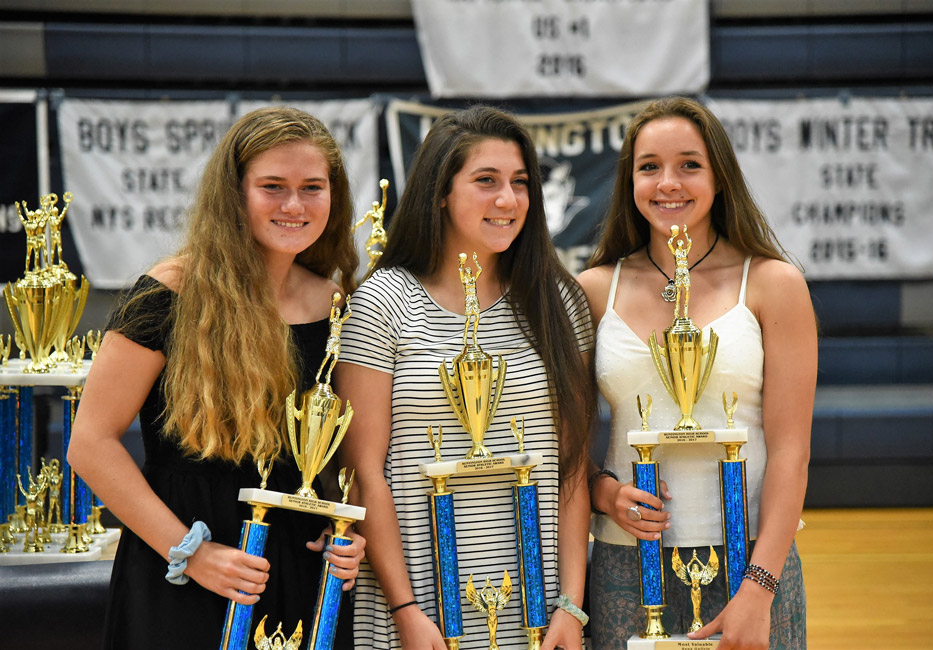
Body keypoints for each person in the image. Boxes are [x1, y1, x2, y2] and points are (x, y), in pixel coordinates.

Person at [67, 106, 366, 649]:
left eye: (312, 187)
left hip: (299, 577)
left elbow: (339, 458)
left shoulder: (339, 305)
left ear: (334, 195)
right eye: (272, 186)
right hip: (182, 571)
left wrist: (342, 532)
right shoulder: (166, 295)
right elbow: (91, 444)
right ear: (234, 194)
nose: (294, 205)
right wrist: (191, 553)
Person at [335, 105, 595, 650]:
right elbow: (364, 473)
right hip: (418, 611)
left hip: (539, 611)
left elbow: (572, 469)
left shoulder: (558, 300)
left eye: (521, 182)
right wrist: (405, 609)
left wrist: (571, 604)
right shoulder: (384, 303)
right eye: (486, 181)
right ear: (439, 194)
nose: (508, 199)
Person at [578, 97, 815, 650]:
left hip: (754, 562)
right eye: (649, 167)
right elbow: (563, 440)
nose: (669, 183)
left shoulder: (775, 284)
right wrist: (605, 494)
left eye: (689, 164)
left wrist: (759, 587)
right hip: (626, 561)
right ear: (629, 181)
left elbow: (791, 453)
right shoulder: (594, 289)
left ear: (719, 177)